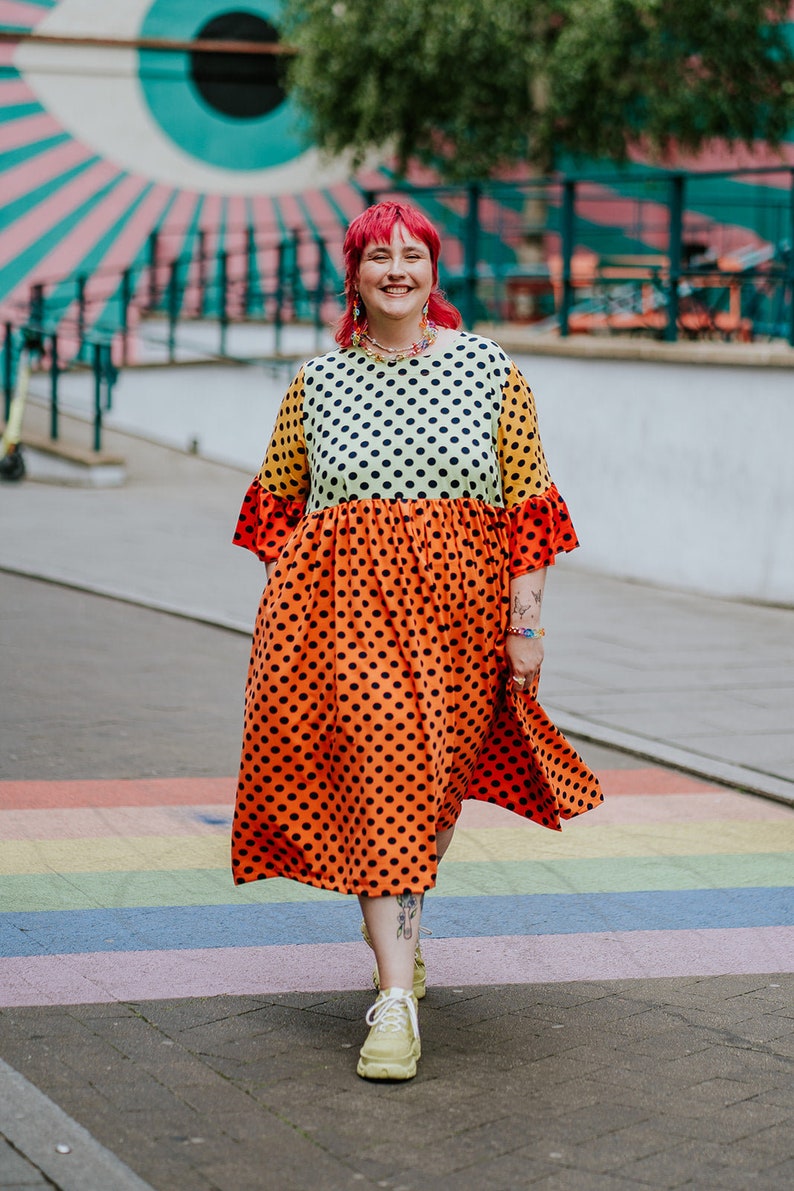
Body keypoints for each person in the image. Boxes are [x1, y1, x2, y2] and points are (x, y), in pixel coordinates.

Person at [232, 201, 603, 1082]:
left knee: (427, 797)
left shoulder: (490, 369)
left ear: (434, 272)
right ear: (354, 276)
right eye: (378, 256)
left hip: (465, 626)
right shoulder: (316, 382)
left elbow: (530, 512)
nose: (397, 268)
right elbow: (275, 511)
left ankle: (402, 930)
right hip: (344, 625)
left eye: (413, 254)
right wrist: (305, 620)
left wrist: (525, 626)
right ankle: (394, 1001)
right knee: (384, 781)